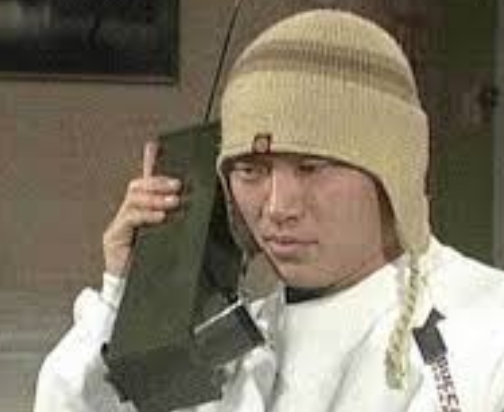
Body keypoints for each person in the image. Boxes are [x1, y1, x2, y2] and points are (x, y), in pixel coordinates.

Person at [34, 9, 504, 412]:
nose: (278, 208)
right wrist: (128, 298)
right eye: (250, 171)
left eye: (311, 167)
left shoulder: (487, 330)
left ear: (392, 171)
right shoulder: (232, 351)